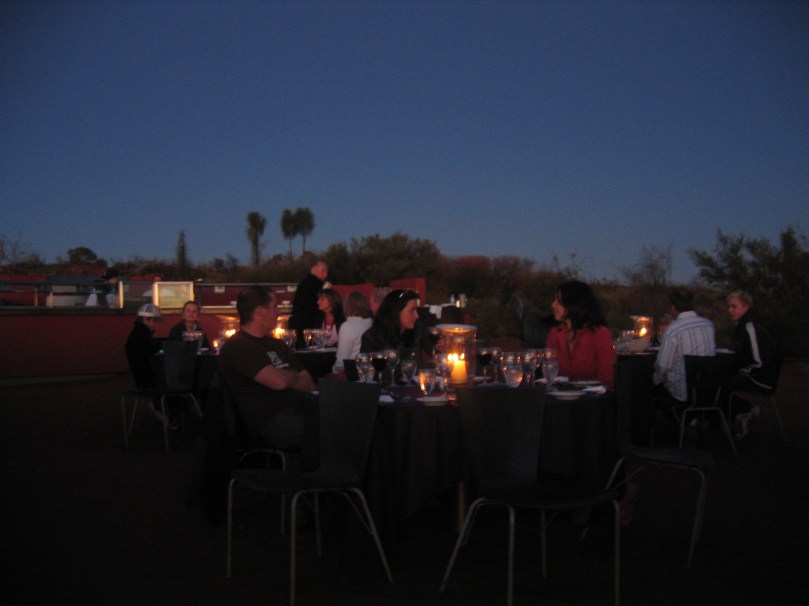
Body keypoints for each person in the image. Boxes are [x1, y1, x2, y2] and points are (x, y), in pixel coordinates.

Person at [218, 285, 317, 456]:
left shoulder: (277, 344)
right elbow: (279, 382)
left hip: (301, 411)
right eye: (275, 307)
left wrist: (287, 379)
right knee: (341, 427)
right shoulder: (238, 347)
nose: (278, 313)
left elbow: (309, 384)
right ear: (260, 312)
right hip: (273, 423)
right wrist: (293, 377)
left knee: (352, 419)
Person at [722, 291, 778, 439]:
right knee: (719, 380)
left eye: (734, 306)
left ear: (746, 307)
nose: (730, 310)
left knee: (721, 384)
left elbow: (760, 360)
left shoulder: (750, 327)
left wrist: (743, 372)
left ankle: (744, 411)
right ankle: (733, 415)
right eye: (729, 307)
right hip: (754, 373)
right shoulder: (743, 326)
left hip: (761, 377)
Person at [545, 281, 616, 386]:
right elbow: (548, 374)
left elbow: (607, 378)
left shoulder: (600, 334)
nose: (553, 305)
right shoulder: (555, 333)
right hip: (559, 396)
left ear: (574, 304)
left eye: (559, 301)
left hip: (592, 398)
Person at [653, 289, 716, 402]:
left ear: (673, 308)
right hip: (708, 389)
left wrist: (656, 379)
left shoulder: (673, 330)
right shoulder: (709, 325)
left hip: (682, 392)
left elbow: (663, 365)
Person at [361, 289, 421, 353]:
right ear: (396, 312)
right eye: (411, 311)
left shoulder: (414, 334)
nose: (417, 316)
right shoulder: (373, 339)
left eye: (416, 310)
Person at [289, 260, 329, 347]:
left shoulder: (305, 283)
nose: (326, 274)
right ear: (314, 269)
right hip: (308, 329)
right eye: (323, 271)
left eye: (326, 272)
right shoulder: (312, 285)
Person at [124, 303, 165, 388]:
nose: (155, 325)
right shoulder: (143, 335)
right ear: (146, 319)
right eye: (154, 321)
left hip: (140, 379)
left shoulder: (136, 333)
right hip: (148, 380)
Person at [332, 291, 373, 374]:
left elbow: (342, 362)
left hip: (353, 373)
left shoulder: (348, 326)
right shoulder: (372, 323)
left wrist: (333, 370)